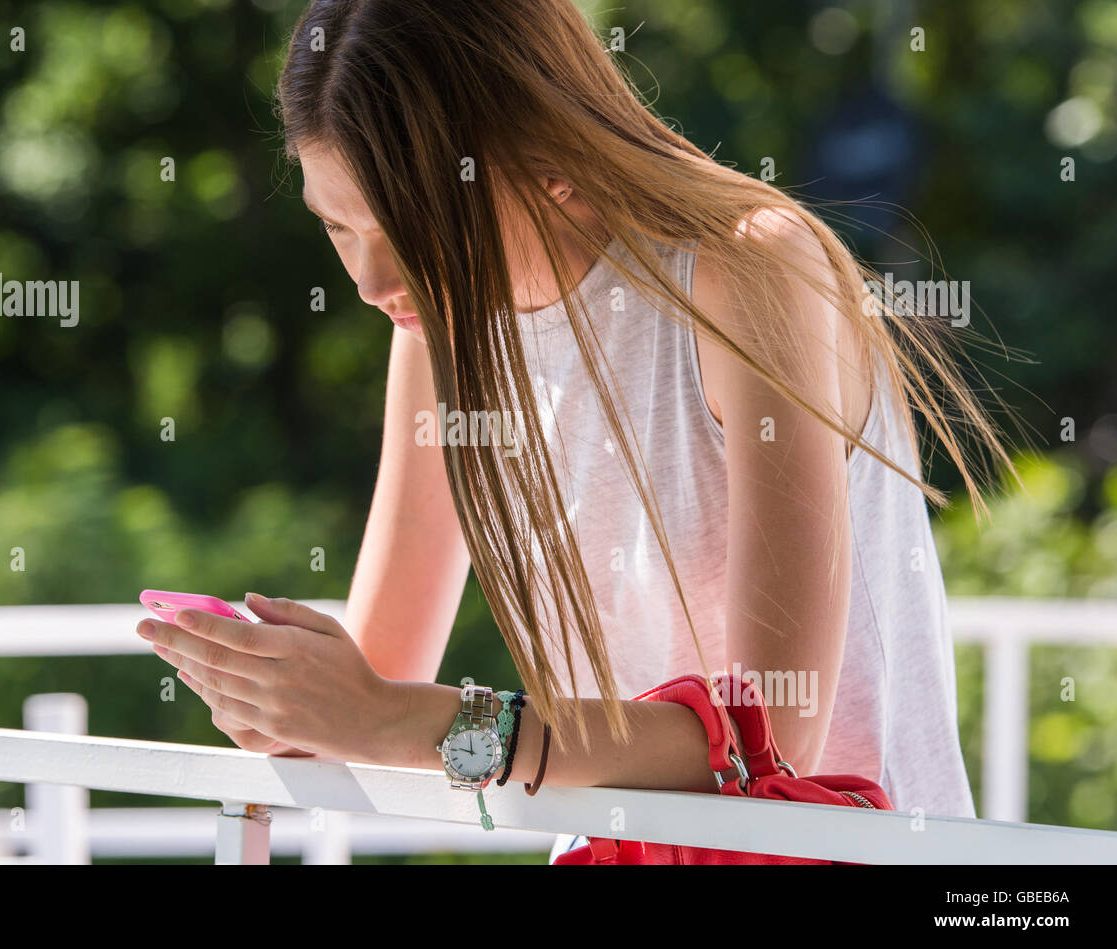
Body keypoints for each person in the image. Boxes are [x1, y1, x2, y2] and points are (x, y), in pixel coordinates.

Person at [135, 0, 1020, 863]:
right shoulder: (438, 335)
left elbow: (769, 737)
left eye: (405, 227)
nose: (369, 280)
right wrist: (280, 691)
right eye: (337, 227)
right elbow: (380, 680)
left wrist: (389, 715)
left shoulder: (746, 269)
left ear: (538, 150)